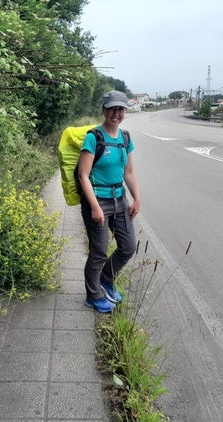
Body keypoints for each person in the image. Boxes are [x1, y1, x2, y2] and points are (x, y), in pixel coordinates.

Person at [77, 90, 141, 313]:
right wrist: (94, 206)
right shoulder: (94, 137)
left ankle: (106, 278)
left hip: (120, 201)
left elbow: (129, 171)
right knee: (99, 251)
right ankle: (93, 295)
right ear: (104, 110)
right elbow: (83, 174)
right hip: (98, 202)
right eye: (112, 108)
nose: (116, 113)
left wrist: (137, 198)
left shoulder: (125, 138)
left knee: (128, 246)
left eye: (121, 109)